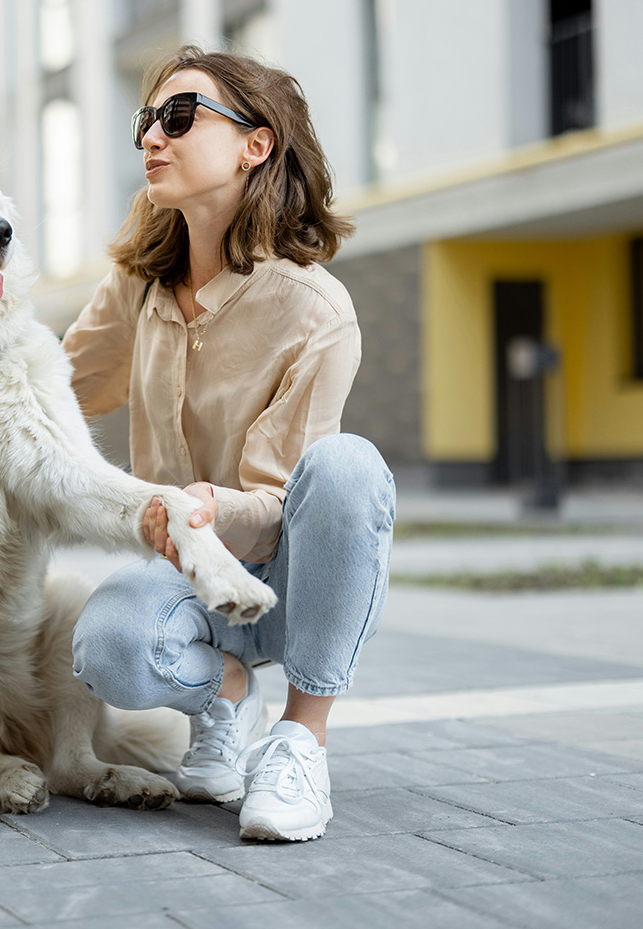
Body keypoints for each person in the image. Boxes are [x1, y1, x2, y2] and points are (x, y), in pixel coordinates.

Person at [62, 46, 396, 842]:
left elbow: (288, 505)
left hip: (290, 581)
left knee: (348, 466)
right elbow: (53, 393)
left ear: (257, 144)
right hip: (184, 579)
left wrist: (209, 508)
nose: (152, 136)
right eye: (146, 120)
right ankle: (228, 693)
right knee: (106, 642)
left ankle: (302, 738)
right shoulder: (136, 284)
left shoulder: (315, 310)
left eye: (179, 117)